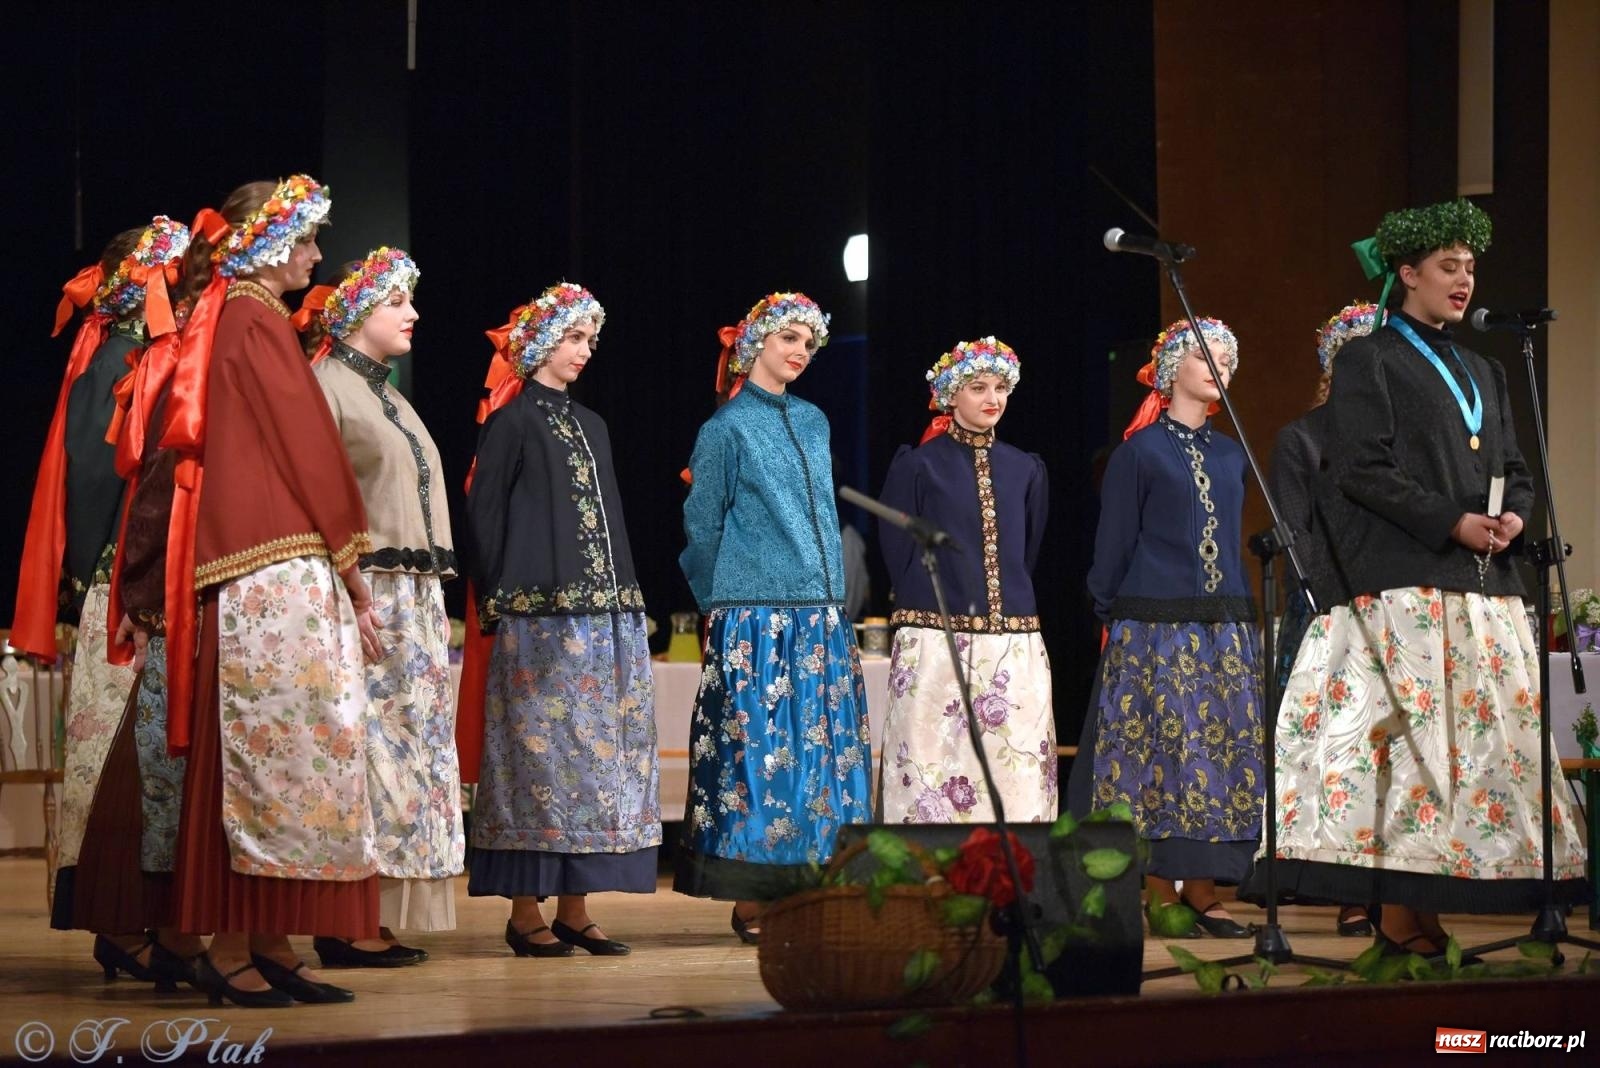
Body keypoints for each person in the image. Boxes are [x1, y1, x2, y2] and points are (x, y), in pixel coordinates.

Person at [1268, 199, 1588, 955]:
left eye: (1470, 267)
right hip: (1409, 587)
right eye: (1449, 267)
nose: (1464, 280)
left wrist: (1513, 519)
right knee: (1412, 755)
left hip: (1482, 589)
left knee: (1466, 756)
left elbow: (1513, 467)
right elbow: (1361, 468)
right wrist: (1450, 520)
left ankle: (1428, 910)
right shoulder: (1369, 358)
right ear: (1407, 274)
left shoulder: (1486, 368)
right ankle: (1398, 914)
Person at [132, 175, 383, 1007]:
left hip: (264, 558)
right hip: (272, 561)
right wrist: (352, 568)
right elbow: (308, 446)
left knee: (289, 755)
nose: (314, 255)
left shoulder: (239, 315)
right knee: (271, 757)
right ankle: (235, 943)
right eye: (304, 240)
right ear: (270, 244)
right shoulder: (253, 317)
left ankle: (269, 937)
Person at [462, 282, 660, 958]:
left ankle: (576, 907)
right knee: (536, 764)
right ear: (542, 340)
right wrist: (499, 597)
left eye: (589, 341)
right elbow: (485, 515)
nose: (584, 351)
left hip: (603, 617)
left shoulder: (593, 424)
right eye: (573, 337)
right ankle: (525, 912)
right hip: (540, 619)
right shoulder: (512, 421)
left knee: (594, 767)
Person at [16, 216, 190, 973]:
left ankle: (152, 918)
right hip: (124, 585)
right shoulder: (117, 362)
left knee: (153, 749)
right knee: (118, 743)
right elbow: (92, 479)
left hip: (150, 578)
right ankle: (117, 920)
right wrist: (114, 576)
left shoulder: (153, 359)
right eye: (178, 278)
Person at [675, 292, 872, 942]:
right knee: (760, 756)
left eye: (808, 343)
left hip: (820, 616)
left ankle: (814, 888)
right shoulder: (725, 429)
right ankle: (753, 896)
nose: (800, 352)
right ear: (755, 341)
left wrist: (833, 600)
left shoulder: (814, 420)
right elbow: (702, 525)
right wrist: (719, 603)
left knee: (821, 760)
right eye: (789, 338)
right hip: (756, 617)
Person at [300, 248, 463, 966]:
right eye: (397, 300)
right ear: (356, 310)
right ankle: (345, 918)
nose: (413, 312)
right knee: (367, 751)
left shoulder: (388, 394)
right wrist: (347, 593)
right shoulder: (327, 386)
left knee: (406, 754)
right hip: (368, 594)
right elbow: (317, 501)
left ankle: (374, 911)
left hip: (411, 600)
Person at [1084, 317, 1262, 939]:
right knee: (1159, 753)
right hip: (1153, 623)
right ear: (1171, 368)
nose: (1220, 367)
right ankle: (1159, 889)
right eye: (1207, 355)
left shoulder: (1232, 454)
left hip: (1221, 625)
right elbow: (1114, 543)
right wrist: (1110, 609)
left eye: (1227, 359)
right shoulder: (1139, 452)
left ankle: (1205, 891)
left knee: (1213, 754)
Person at [876, 337, 1054, 823]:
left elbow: (1028, 550)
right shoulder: (919, 465)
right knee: (931, 765)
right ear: (951, 394)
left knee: (1013, 772)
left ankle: (1012, 865)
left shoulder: (1025, 468)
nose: (992, 398)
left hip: (1012, 640)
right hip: (935, 638)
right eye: (978, 388)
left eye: (1000, 388)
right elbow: (898, 549)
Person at [1249, 302, 1381, 938]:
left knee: (1388, 752)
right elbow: (1295, 534)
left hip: (1395, 608)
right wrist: (1335, 598)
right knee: (1335, 753)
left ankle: (1397, 886)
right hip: (1328, 609)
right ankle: (1346, 888)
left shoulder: (1399, 437)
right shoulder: (1302, 438)